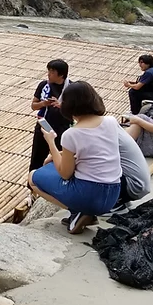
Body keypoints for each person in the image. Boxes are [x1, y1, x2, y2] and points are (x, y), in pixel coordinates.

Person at [29, 81, 121, 234]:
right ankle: (82, 212)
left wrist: (51, 143)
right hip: (113, 193)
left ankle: (78, 210)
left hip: (89, 194)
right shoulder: (111, 121)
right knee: (52, 165)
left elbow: (65, 173)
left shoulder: (72, 134)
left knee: (33, 177)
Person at [29, 59, 72, 171]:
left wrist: (60, 105)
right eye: (48, 71)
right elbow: (33, 106)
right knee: (37, 159)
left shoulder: (71, 88)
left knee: (61, 157)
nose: (49, 74)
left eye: (52, 72)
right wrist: (44, 103)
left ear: (61, 75)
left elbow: (77, 111)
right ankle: (32, 183)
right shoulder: (44, 85)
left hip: (63, 128)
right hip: (44, 125)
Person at [111, 126, 151, 214]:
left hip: (133, 186)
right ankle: (120, 199)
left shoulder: (95, 133)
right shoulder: (109, 125)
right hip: (139, 184)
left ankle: (112, 203)